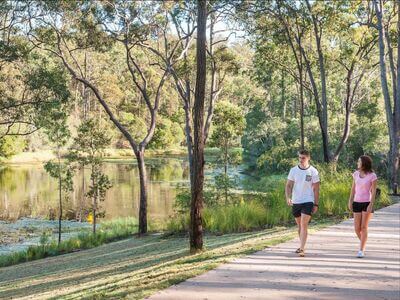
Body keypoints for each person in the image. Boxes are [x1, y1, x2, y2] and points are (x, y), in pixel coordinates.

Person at [285, 150, 320, 257]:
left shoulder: (313, 171)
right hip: (296, 201)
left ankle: (302, 248)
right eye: (300, 157)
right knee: (299, 225)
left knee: (304, 224)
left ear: (308, 158)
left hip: (308, 201)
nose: (301, 160)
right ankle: (301, 246)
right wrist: (288, 197)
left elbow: (316, 189)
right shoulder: (293, 170)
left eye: (303, 158)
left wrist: (316, 204)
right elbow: (288, 185)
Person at [348, 155, 377, 258]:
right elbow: (353, 189)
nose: (357, 163)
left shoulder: (372, 175)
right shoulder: (355, 174)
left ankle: (361, 249)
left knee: (364, 227)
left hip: (367, 203)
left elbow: (373, 192)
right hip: (356, 202)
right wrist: (350, 201)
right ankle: (363, 243)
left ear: (364, 163)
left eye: (359, 161)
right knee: (357, 228)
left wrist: (371, 204)